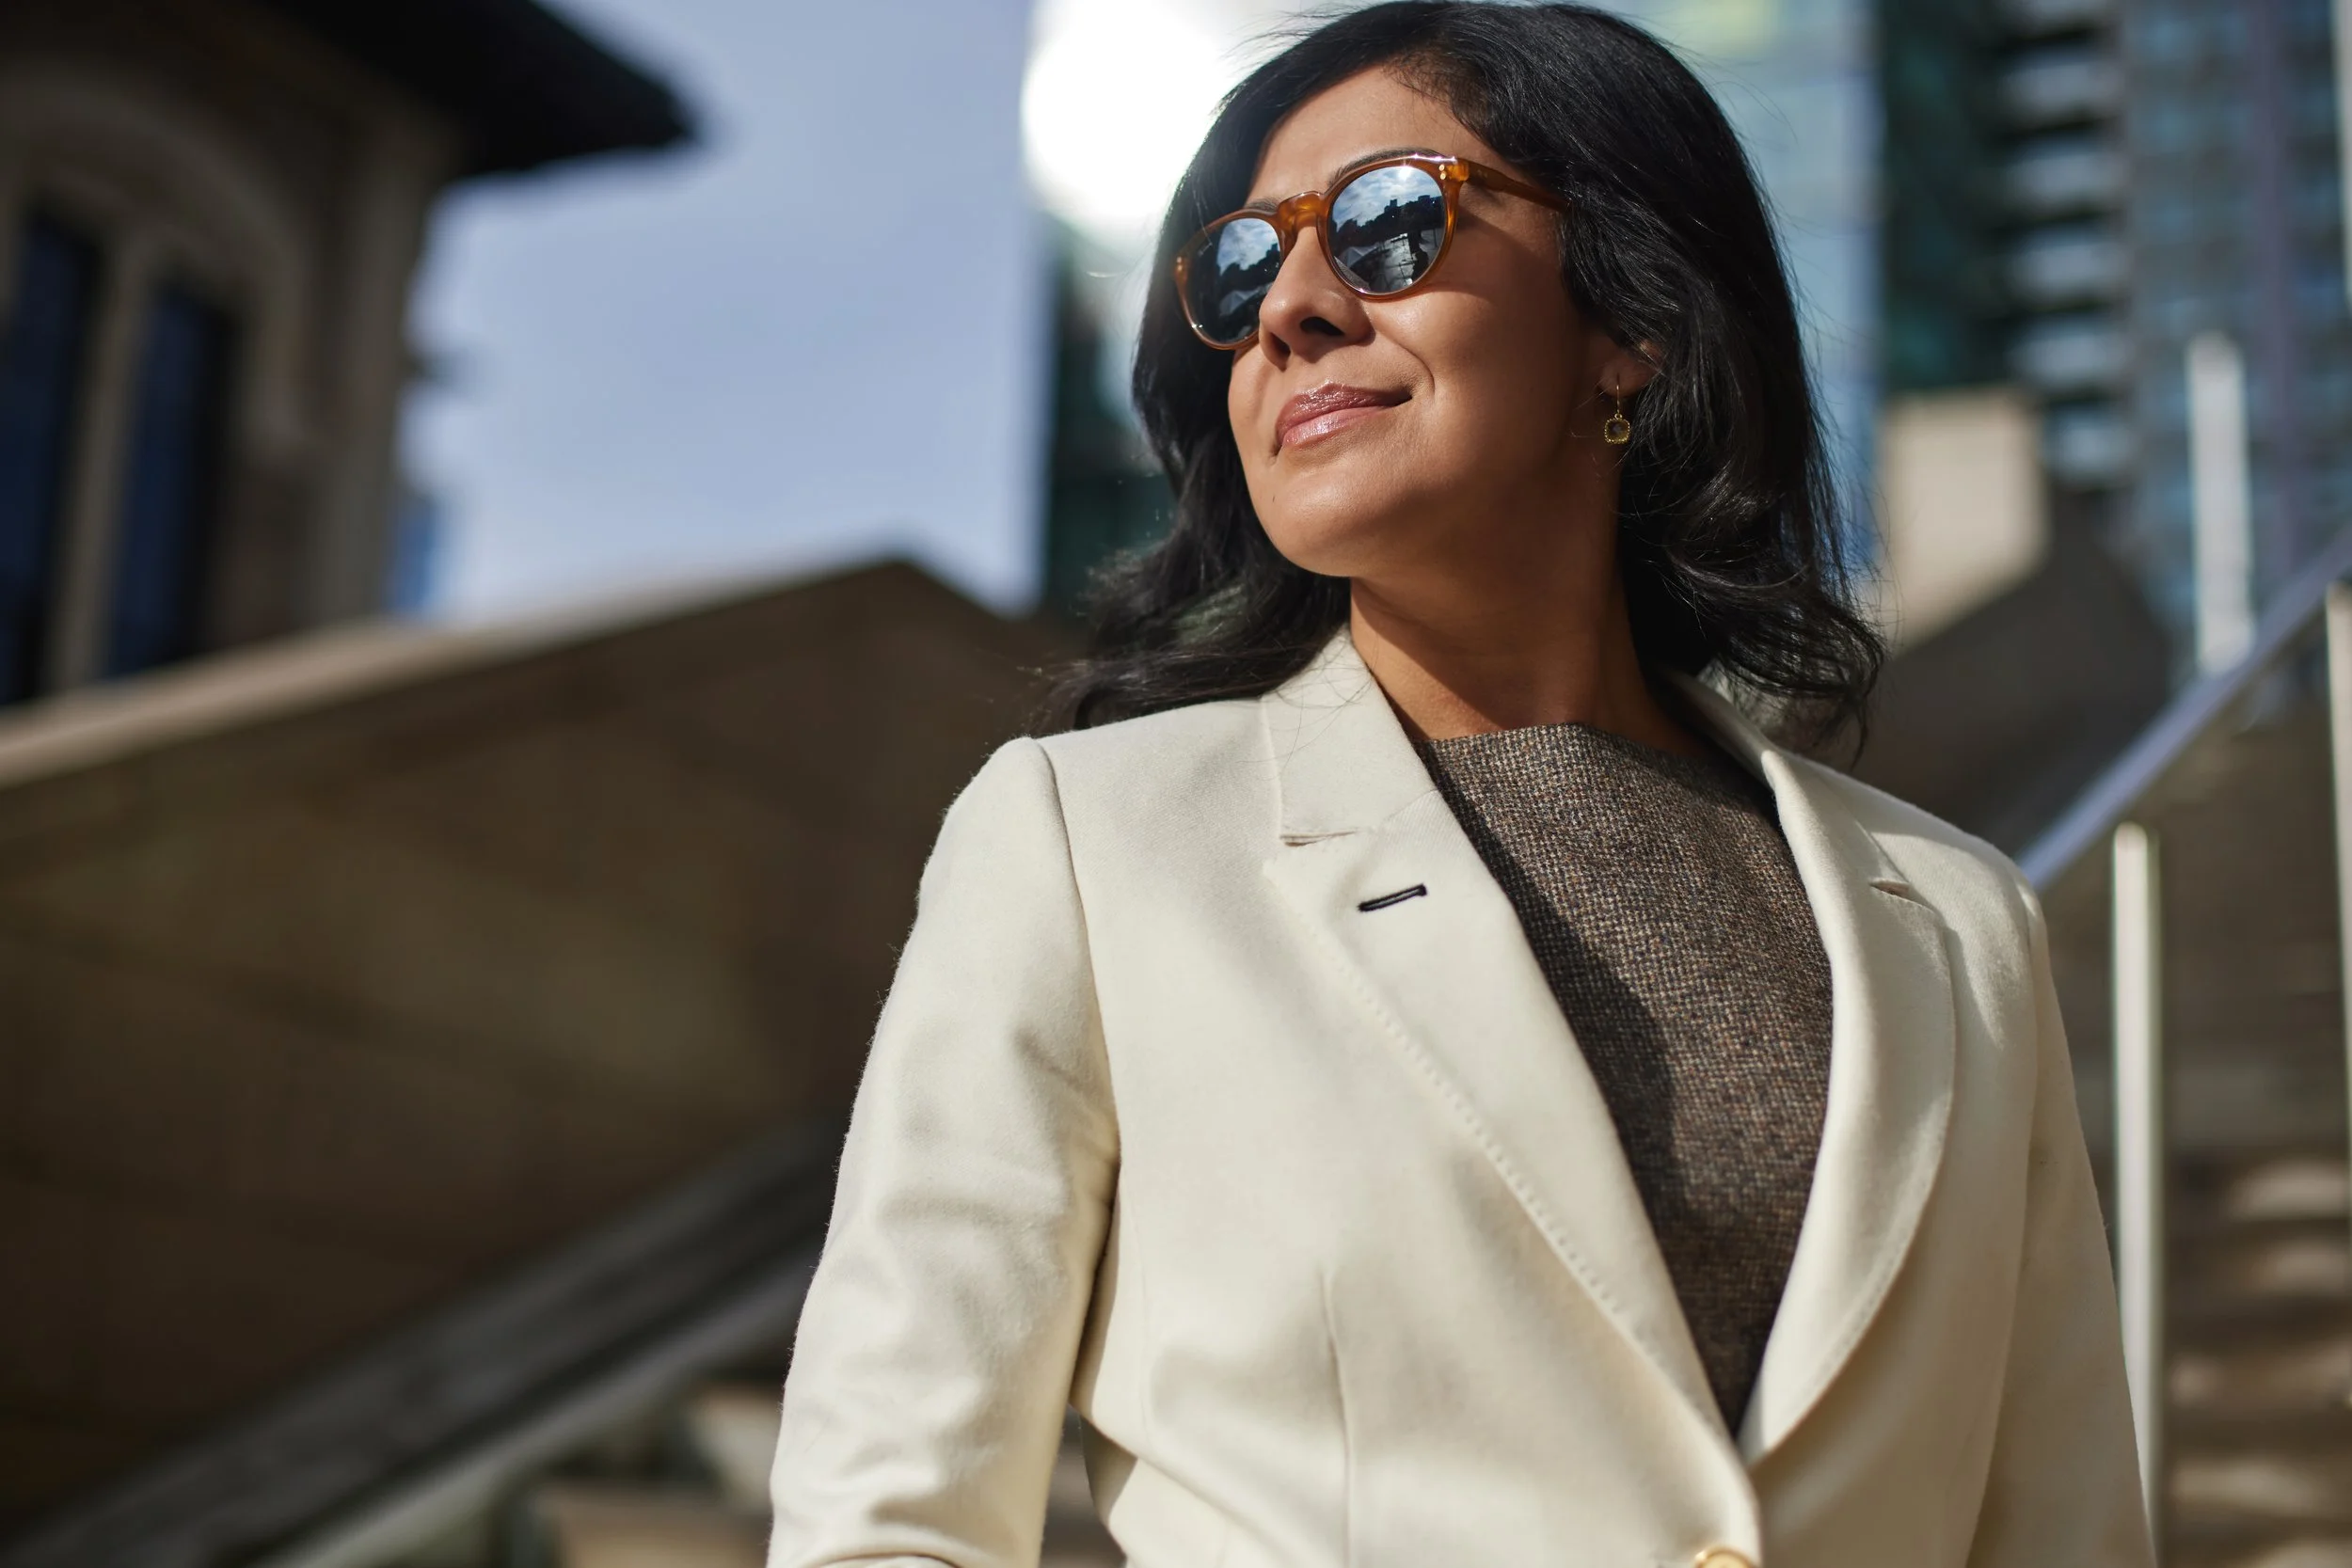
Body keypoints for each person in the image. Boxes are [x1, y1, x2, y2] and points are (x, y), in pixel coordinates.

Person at [767, 6, 2152, 1565]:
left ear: (1634, 317)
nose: (1289, 304)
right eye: (1239, 269)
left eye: (1387, 220)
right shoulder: (1090, 846)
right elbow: (889, 1518)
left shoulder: (1961, 921)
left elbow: (2066, 1527)